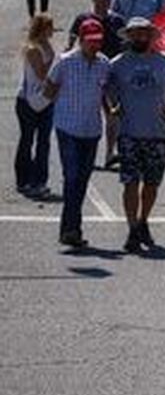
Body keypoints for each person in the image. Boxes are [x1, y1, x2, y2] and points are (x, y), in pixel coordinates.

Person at [104, 17, 165, 253]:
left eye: (144, 34)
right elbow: (104, 86)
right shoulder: (118, 64)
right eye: (135, 34)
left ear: (151, 36)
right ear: (129, 37)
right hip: (129, 132)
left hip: (157, 133)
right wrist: (111, 107)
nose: (140, 37)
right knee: (130, 182)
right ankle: (132, 228)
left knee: (151, 183)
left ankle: (143, 220)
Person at [43, 18, 111, 249]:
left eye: (98, 41)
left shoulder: (104, 64)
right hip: (68, 127)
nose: (95, 46)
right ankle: (71, 229)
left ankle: (71, 228)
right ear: (81, 40)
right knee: (72, 178)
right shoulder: (65, 62)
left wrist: (109, 111)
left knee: (81, 181)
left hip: (91, 130)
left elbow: (104, 92)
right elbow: (49, 89)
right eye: (90, 42)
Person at [15, 14, 58, 199]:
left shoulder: (48, 47)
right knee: (27, 140)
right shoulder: (32, 48)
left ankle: (40, 180)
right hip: (27, 100)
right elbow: (41, 74)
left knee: (44, 142)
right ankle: (23, 179)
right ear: (42, 28)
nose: (52, 31)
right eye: (49, 27)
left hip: (45, 100)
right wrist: (53, 60)